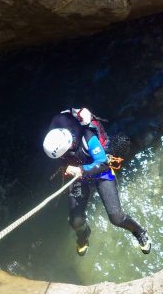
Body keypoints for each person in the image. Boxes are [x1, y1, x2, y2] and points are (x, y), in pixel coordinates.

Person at [43, 108, 151, 256]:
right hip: (78, 175)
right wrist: (77, 171)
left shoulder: (88, 137)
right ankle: (83, 235)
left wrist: (81, 170)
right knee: (75, 221)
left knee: (116, 218)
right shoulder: (56, 132)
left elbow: (103, 163)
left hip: (100, 172)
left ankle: (139, 232)